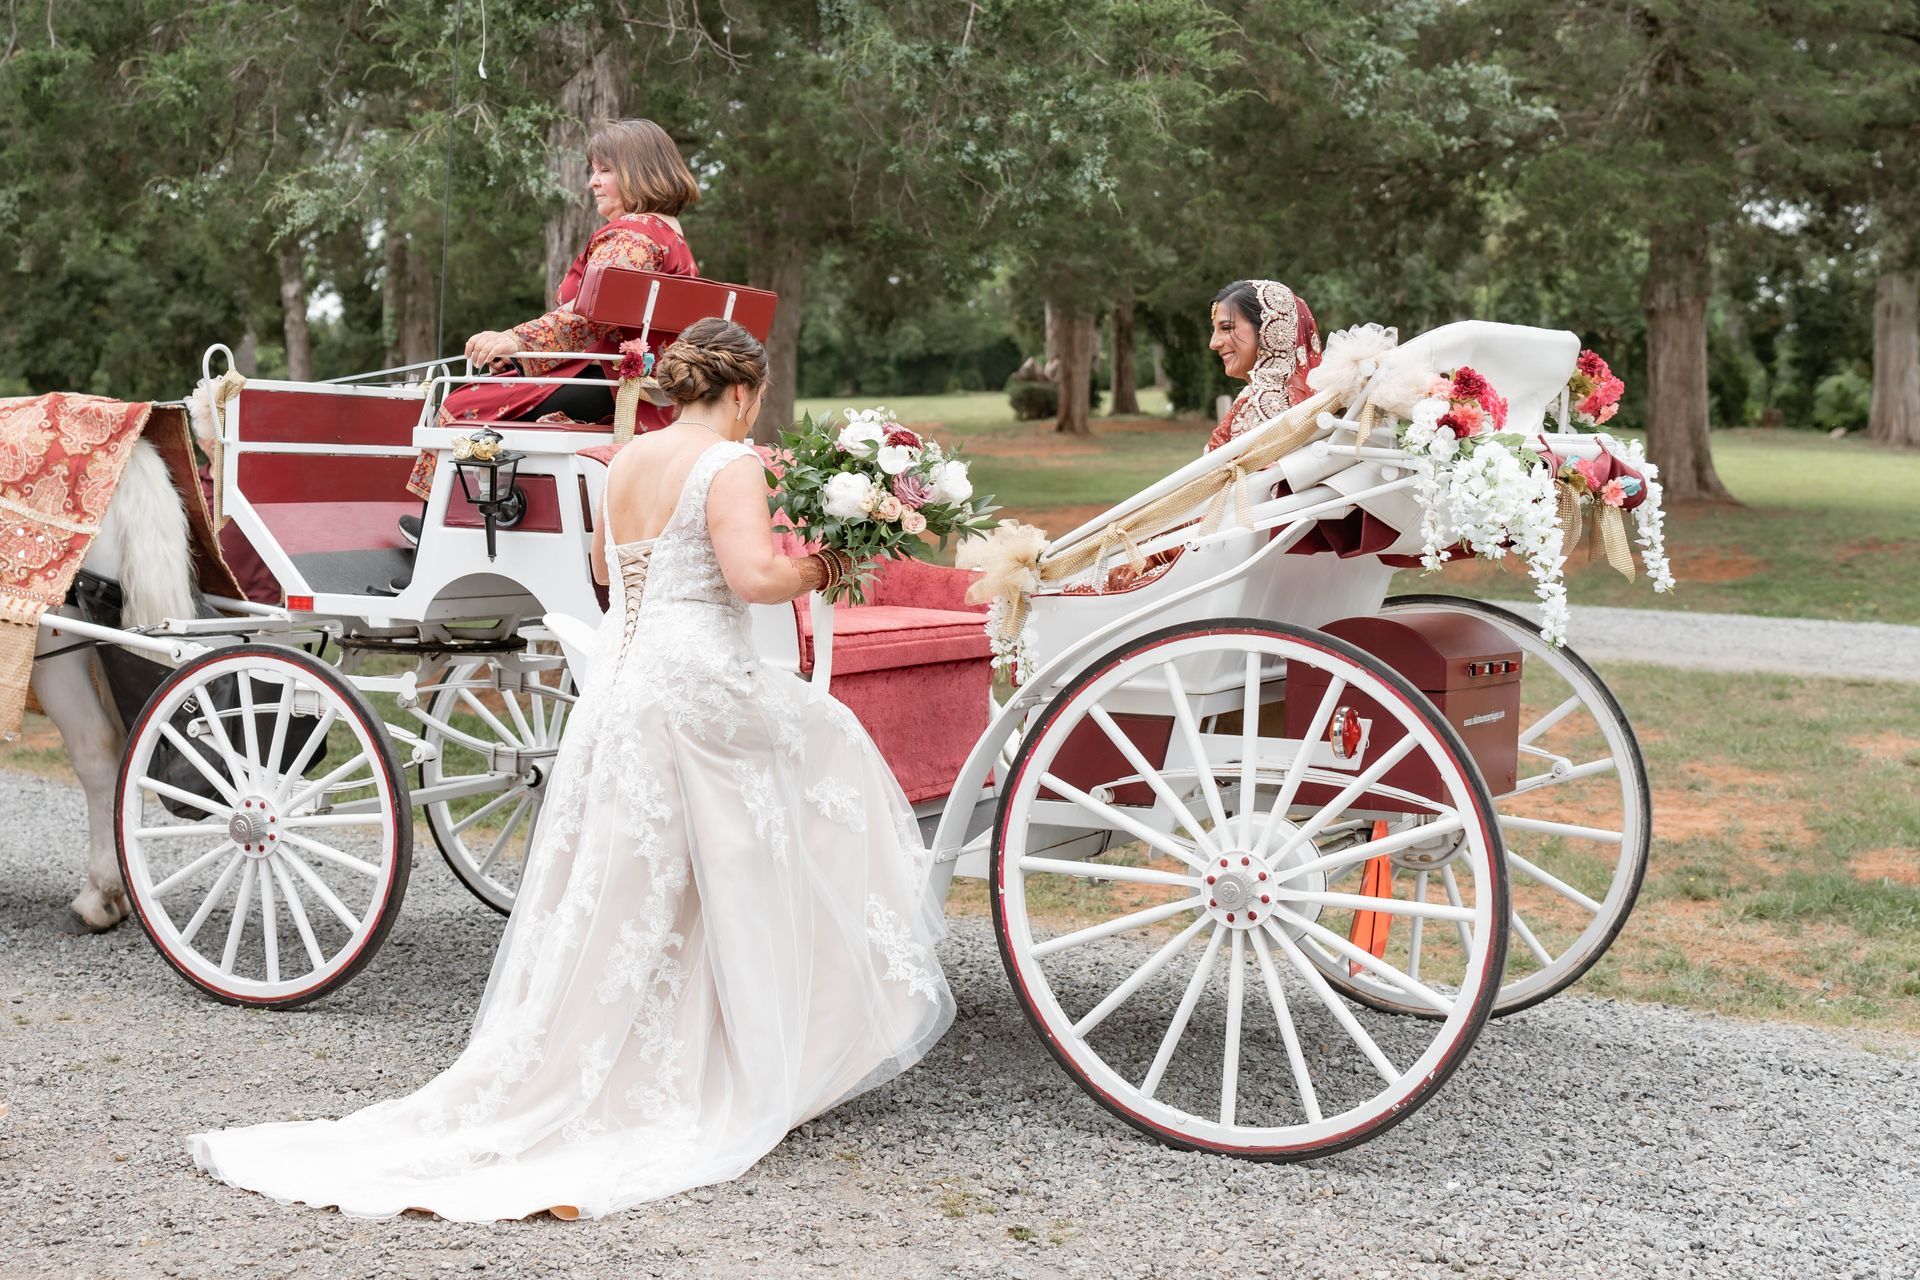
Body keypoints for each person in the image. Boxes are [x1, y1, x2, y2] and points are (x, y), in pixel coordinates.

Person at [192, 319, 955, 1221]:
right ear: (744, 391)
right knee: (829, 749)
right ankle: (784, 1029)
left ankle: (701, 1030)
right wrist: (828, 562)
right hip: (696, 686)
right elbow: (752, 578)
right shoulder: (732, 464)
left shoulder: (625, 461)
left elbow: (601, 568)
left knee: (636, 880)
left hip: (621, 691)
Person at [401, 118, 702, 518]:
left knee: (467, 401)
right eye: (592, 171)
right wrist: (521, 355)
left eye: (605, 170)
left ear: (641, 172)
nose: (592, 182)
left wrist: (515, 340)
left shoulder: (631, 236)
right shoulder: (669, 235)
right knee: (500, 384)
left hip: (609, 381)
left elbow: (588, 319)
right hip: (630, 381)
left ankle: (442, 527)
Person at [1204, 278, 1322, 452]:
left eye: (1227, 328)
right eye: (1214, 330)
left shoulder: (1270, 403)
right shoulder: (1269, 394)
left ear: (1266, 329)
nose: (1213, 343)